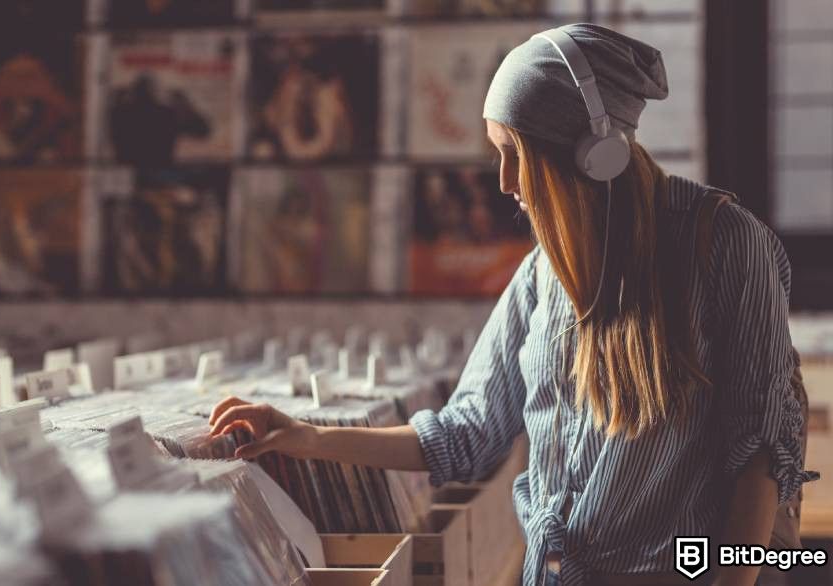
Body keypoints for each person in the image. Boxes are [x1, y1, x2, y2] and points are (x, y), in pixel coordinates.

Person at [206, 24, 817, 585]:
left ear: (589, 153)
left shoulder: (728, 243)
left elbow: (760, 457)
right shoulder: (538, 277)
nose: (503, 181)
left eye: (514, 154)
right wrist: (305, 436)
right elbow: (462, 438)